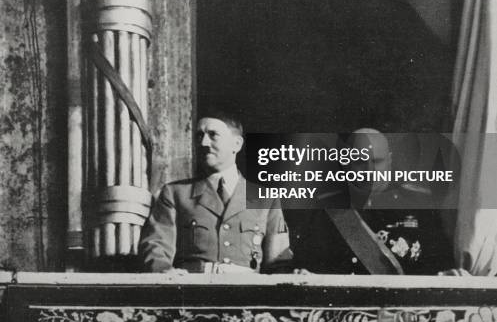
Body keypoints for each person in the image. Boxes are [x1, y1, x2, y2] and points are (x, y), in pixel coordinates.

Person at [139, 111, 291, 273]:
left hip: (247, 293)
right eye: (199, 136)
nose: (204, 142)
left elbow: (279, 262)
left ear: (237, 144)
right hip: (193, 290)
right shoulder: (175, 194)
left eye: (213, 135)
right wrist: (165, 271)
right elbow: (156, 247)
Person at [287, 129, 456, 275]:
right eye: (360, 162)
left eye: (376, 161)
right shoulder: (326, 210)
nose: (369, 170)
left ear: (389, 161)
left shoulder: (420, 206)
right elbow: (307, 267)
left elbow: (441, 264)